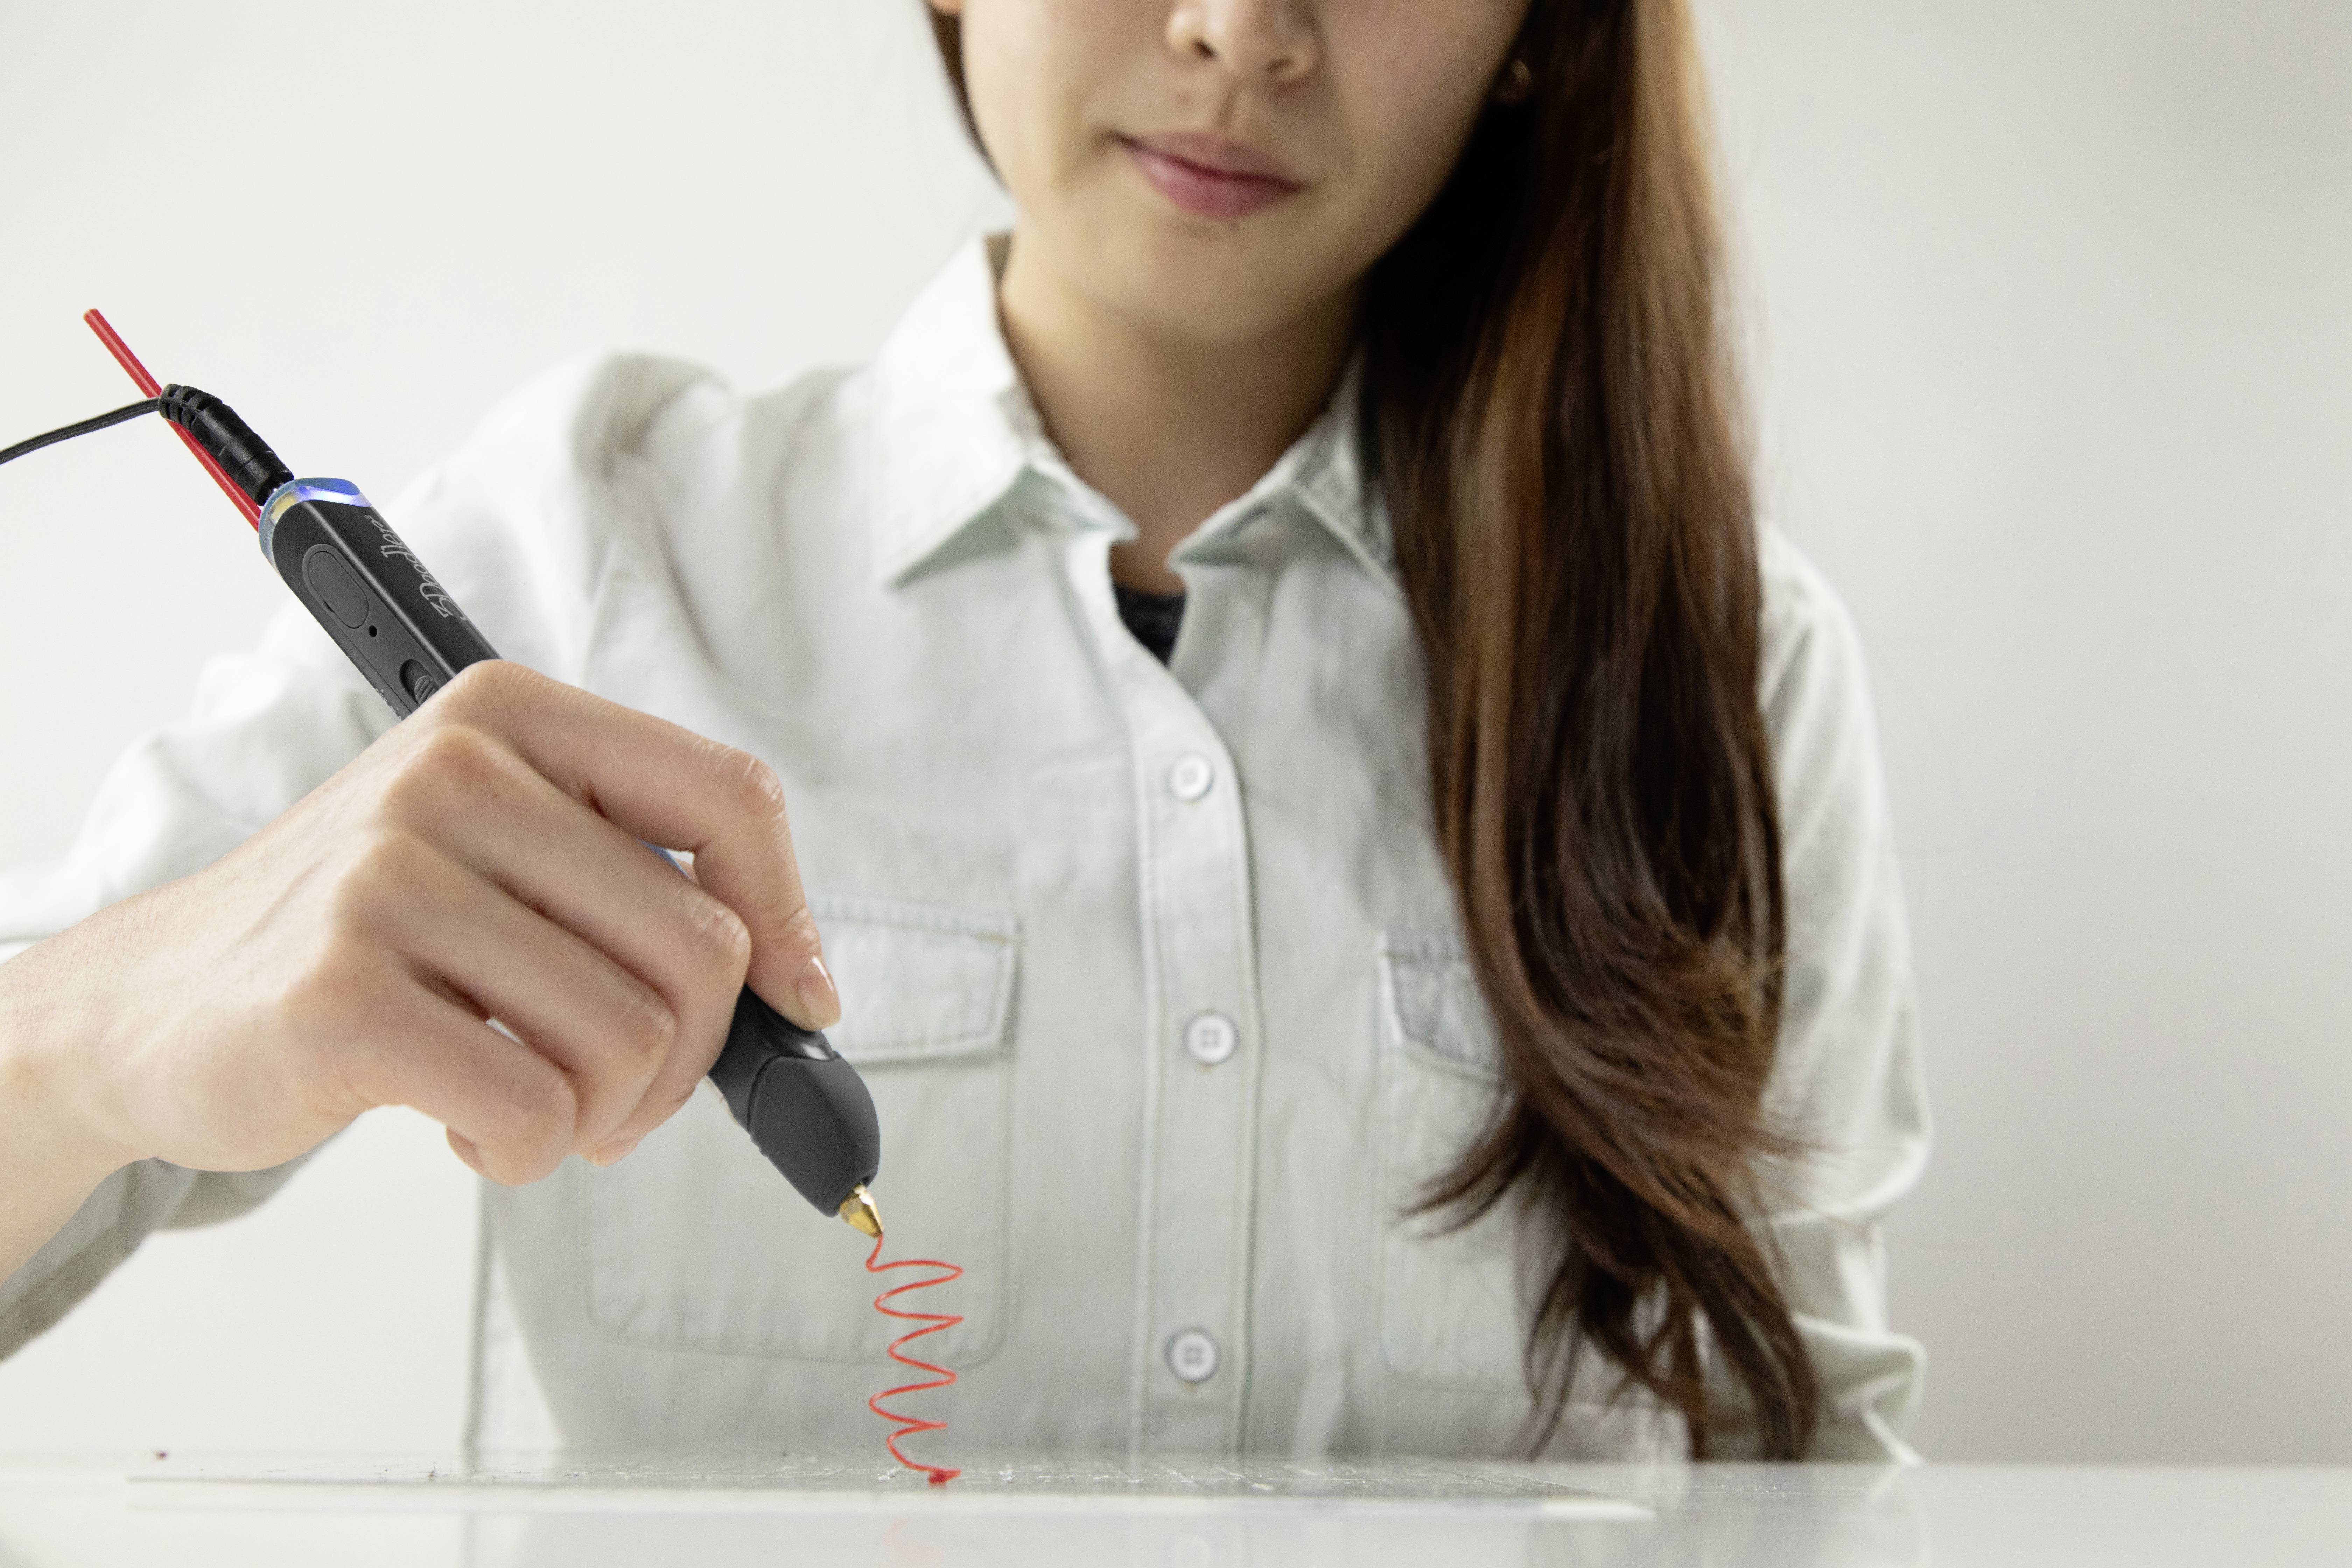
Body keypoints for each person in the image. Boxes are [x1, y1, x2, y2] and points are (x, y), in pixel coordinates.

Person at [0, 0, 1927, 1462]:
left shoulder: (1731, 670)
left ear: (1543, 35)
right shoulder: (571, 551)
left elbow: (1814, 1462)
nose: (1242, 30)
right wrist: (89, 1042)